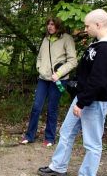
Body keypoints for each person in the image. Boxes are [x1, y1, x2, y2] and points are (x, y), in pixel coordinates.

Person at [38, 9, 107, 176]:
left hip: (95, 101)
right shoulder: (97, 44)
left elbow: (99, 80)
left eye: (87, 25)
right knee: (66, 132)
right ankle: (58, 167)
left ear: (99, 25)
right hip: (82, 97)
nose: (85, 28)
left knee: (92, 141)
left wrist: (82, 103)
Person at [21, 17, 77, 146]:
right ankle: (29, 136)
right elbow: (40, 57)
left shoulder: (67, 39)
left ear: (58, 26)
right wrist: (40, 69)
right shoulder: (46, 39)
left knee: (52, 108)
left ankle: (50, 138)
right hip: (43, 79)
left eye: (52, 24)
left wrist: (58, 73)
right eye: (48, 24)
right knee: (36, 107)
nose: (50, 27)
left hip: (58, 80)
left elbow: (73, 61)